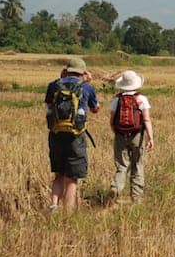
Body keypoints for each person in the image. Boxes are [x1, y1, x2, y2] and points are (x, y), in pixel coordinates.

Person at [45, 57, 100, 212]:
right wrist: (88, 82)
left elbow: (50, 105)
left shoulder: (53, 85)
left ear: (66, 70)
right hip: (76, 137)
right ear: (83, 72)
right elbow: (95, 109)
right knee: (72, 179)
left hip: (56, 135)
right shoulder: (86, 87)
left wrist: (62, 78)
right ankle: (68, 213)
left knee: (59, 175)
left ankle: (54, 205)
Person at [107, 70, 154, 205]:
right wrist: (150, 138)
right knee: (137, 165)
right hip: (137, 136)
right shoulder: (141, 99)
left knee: (121, 165)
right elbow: (146, 120)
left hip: (120, 135)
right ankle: (136, 198)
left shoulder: (117, 99)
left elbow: (111, 121)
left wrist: (116, 132)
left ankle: (115, 188)